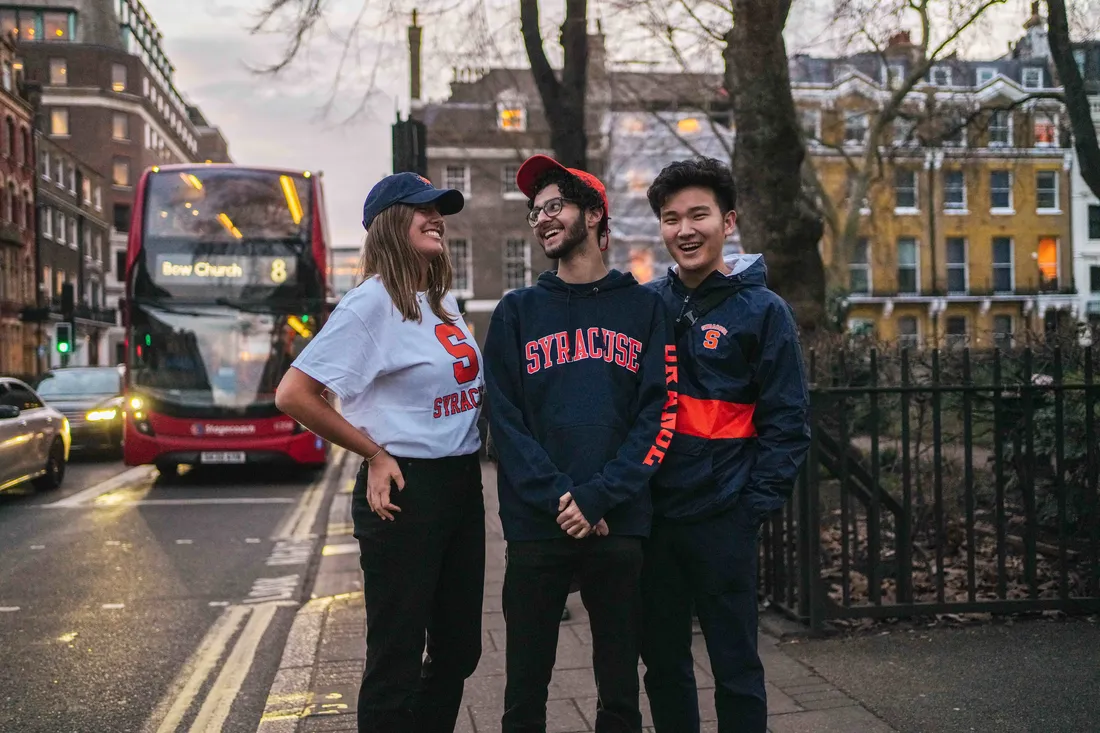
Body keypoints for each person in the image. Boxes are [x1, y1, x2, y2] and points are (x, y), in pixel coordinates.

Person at [275, 172, 485, 733]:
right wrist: (372, 453)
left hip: (461, 485)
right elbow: (294, 393)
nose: (437, 217)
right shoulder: (369, 304)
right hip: (407, 493)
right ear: (391, 223)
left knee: (461, 649)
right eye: (423, 208)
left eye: (441, 209)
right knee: (394, 661)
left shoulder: (442, 299)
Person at [484, 155, 676, 733]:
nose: (542, 219)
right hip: (539, 525)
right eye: (535, 211)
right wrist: (564, 499)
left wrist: (598, 497)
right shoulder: (517, 312)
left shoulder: (645, 308)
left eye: (555, 206)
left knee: (620, 689)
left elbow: (658, 413)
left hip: (617, 522)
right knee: (523, 692)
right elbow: (504, 420)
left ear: (594, 214)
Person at [640, 158, 810, 733]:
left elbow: (788, 422)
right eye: (670, 218)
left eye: (698, 215)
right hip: (655, 519)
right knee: (662, 667)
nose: (684, 230)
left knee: (736, 667)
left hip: (723, 519)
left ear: (728, 222)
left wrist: (750, 508)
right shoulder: (647, 306)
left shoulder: (764, 312)